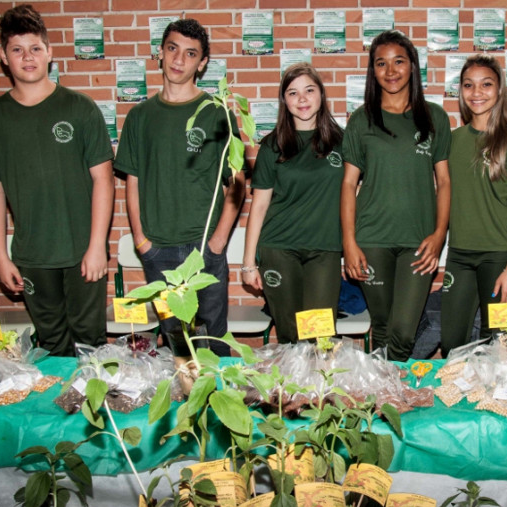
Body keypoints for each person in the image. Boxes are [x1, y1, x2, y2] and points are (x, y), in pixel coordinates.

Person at [0, 4, 114, 357]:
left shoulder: (80, 108)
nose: (27, 57)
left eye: (35, 48)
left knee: (90, 344)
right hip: (32, 255)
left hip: (83, 251)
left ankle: (90, 412)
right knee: (51, 345)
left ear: (49, 52)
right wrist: (1, 256)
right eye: (17, 49)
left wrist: (97, 245)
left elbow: (104, 181)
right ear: (4, 57)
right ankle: (59, 412)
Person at [115, 19, 243, 357]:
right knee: (177, 345)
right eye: (172, 49)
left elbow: (238, 182)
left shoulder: (217, 114)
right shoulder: (140, 116)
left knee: (213, 343)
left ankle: (218, 408)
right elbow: (132, 181)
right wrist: (142, 241)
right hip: (159, 251)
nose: (178, 60)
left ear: (201, 64)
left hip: (205, 249)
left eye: (190, 54)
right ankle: (185, 407)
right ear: (160, 52)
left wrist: (217, 242)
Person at [341, 30, 451, 361]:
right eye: (381, 63)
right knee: (383, 325)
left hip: (419, 241)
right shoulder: (361, 120)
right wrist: (349, 243)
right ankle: (381, 401)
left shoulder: (435, 117)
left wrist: (439, 234)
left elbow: (444, 182)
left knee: (403, 330)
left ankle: (387, 390)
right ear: (373, 71)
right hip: (372, 238)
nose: (391, 71)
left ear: (413, 66)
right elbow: (348, 184)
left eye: (399, 61)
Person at [441, 54, 507, 354]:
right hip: (459, 255)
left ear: (499, 90)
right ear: (461, 91)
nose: (477, 92)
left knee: (500, 345)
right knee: (451, 344)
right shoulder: (451, 140)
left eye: (486, 84)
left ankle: (499, 402)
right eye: (468, 85)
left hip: (500, 257)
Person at [242, 63, 344, 344]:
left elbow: (355, 196)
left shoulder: (343, 143)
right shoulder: (272, 146)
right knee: (291, 337)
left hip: (324, 251)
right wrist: (249, 262)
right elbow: (259, 206)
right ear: (284, 101)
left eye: (309, 90)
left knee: (319, 336)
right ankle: (292, 390)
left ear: (321, 95)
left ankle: (318, 390)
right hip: (279, 249)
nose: (302, 99)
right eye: (293, 93)